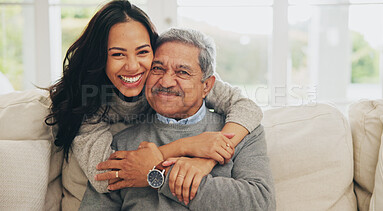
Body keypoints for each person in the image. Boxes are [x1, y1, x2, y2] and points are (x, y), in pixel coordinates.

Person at [45, 0, 263, 209]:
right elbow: (107, 179)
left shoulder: (194, 87)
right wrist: (178, 150)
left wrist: (207, 159)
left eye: (142, 52)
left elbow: (247, 107)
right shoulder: (91, 109)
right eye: (118, 54)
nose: (132, 66)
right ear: (101, 59)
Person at [79, 27, 275, 211]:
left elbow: (260, 203)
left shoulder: (241, 131)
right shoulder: (121, 144)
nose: (166, 81)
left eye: (182, 72)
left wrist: (159, 175)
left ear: (207, 86)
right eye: (157, 68)